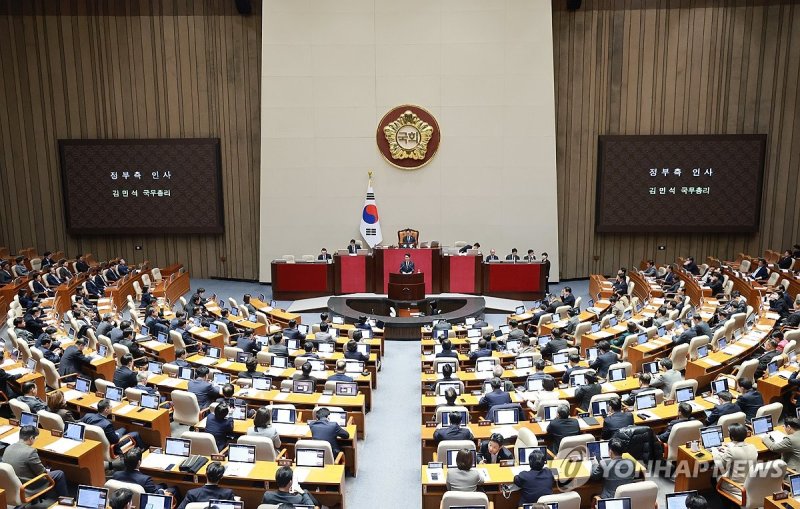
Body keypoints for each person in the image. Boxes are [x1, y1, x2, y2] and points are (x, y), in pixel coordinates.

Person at [2, 425, 69, 495]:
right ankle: (65, 500)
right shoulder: (30, 452)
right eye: (36, 438)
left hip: (12, 484)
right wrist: (47, 470)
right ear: (31, 438)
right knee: (59, 473)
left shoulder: (8, 448)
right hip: (27, 486)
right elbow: (43, 474)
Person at [713, 423, 757, 501]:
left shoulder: (731, 451)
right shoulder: (753, 447)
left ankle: (728, 504)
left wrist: (715, 452)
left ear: (732, 436)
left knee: (714, 477)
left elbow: (720, 466)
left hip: (736, 486)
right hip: (751, 484)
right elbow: (740, 452)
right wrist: (728, 450)